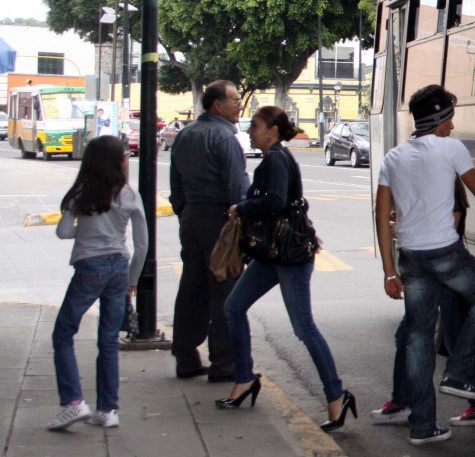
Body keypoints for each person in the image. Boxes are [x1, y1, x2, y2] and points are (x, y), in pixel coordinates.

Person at [373, 84, 475, 445]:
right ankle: (459, 372)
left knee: (418, 339)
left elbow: (381, 217)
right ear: (439, 119)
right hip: (444, 252)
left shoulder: (393, 158)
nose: (454, 127)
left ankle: (423, 427)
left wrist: (389, 271)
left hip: (410, 257)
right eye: (450, 119)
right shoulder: (451, 149)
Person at [219, 106, 355, 432]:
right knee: (234, 307)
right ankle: (244, 378)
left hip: (289, 256)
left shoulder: (276, 160)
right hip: (273, 254)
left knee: (304, 328)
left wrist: (241, 207)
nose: (250, 130)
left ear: (273, 131)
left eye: (255, 125)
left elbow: (277, 201)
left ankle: (336, 396)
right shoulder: (273, 158)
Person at [372, 180, 475, 428]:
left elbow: (448, 229)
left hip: (448, 275)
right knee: (420, 337)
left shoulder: (448, 188)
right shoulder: (435, 188)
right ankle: (404, 401)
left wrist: (405, 229)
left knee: (440, 338)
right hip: (434, 273)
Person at [47, 136, 148, 430]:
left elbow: (64, 232)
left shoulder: (81, 192)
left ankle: (73, 402)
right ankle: (108, 410)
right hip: (118, 267)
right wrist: (133, 279)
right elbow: (142, 245)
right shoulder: (130, 196)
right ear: (118, 163)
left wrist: (87, 228)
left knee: (64, 332)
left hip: (89, 267)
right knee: (108, 339)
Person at [168, 81, 250, 382]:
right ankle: (224, 363)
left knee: (191, 288)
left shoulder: (186, 134)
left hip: (191, 219)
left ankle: (186, 357)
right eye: (235, 99)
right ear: (218, 105)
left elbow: (175, 186)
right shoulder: (224, 138)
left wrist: (184, 213)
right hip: (219, 222)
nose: (240, 104)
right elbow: (237, 190)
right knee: (225, 292)